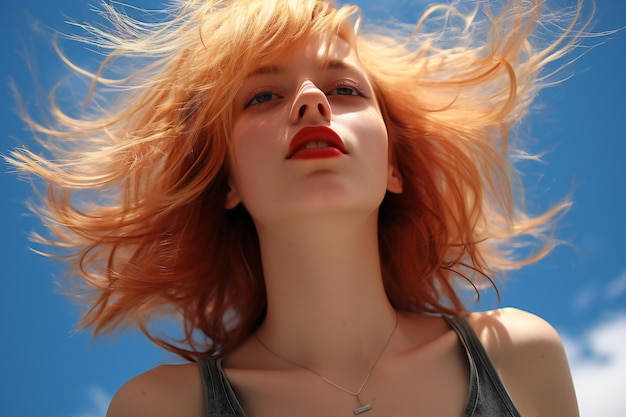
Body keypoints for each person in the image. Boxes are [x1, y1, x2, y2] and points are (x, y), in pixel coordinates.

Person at [6, 0, 589, 415]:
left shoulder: (518, 356)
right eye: (263, 96)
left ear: (394, 167)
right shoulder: (162, 408)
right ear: (226, 179)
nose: (311, 101)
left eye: (344, 90)